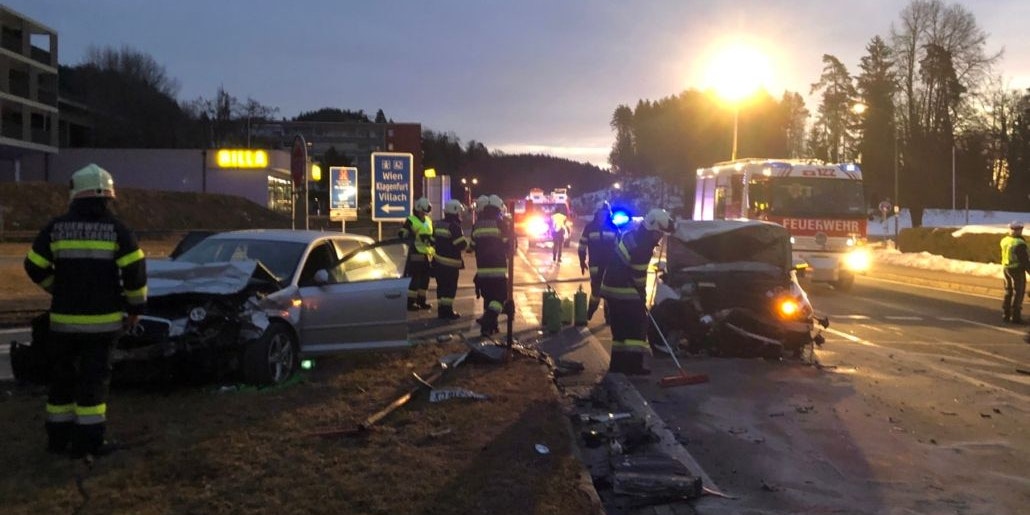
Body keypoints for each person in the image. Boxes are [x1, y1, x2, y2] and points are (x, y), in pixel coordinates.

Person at [23, 164, 147, 458]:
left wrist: (57, 287)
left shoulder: (56, 227)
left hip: (63, 324)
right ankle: (89, 443)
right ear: (108, 197)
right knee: (93, 385)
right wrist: (134, 309)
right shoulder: (118, 230)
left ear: (75, 194)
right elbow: (135, 274)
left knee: (62, 383)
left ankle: (58, 441)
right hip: (102, 326)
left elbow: (33, 265)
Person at [600, 208, 674, 375]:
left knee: (620, 332)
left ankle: (617, 367)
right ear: (653, 230)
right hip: (624, 291)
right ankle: (633, 366)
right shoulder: (643, 245)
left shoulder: (634, 235)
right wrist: (642, 296)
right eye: (659, 233)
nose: (660, 238)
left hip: (612, 289)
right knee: (637, 328)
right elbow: (638, 276)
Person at [470, 194, 513, 337]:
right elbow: (508, 244)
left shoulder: (477, 224)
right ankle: (487, 319)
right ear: (498, 209)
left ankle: (488, 328)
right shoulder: (500, 223)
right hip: (498, 268)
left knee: (488, 298)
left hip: (482, 269)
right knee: (500, 297)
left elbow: (472, 245)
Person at [578, 201, 620, 322]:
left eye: (605, 213)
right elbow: (582, 245)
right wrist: (582, 261)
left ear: (608, 213)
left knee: (609, 291)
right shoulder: (589, 228)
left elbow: (620, 247)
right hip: (595, 265)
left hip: (610, 265)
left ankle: (608, 316)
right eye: (601, 213)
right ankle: (590, 312)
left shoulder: (613, 227)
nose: (603, 215)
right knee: (596, 291)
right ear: (597, 213)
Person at [433, 199, 469, 320]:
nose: (460, 214)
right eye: (459, 212)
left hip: (438, 263)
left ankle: (441, 311)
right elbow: (461, 245)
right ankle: (448, 312)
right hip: (450, 265)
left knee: (441, 288)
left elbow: (434, 241)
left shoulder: (438, 224)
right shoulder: (454, 227)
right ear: (455, 212)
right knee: (449, 289)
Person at [399, 197, 435, 311]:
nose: (424, 214)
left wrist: (431, 239)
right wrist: (413, 235)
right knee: (415, 279)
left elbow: (432, 233)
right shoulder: (411, 220)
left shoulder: (428, 220)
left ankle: (422, 301)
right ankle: (410, 303)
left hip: (427, 254)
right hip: (415, 252)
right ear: (418, 209)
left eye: (426, 212)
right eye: (423, 211)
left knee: (425, 279)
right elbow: (402, 234)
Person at [1001, 220, 1028, 324]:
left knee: (1008, 291)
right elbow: (1024, 260)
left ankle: (1006, 313)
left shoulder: (1005, 240)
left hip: (1006, 268)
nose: (1021, 231)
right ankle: (1015, 316)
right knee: (1018, 292)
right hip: (1017, 269)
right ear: (1017, 230)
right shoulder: (1019, 243)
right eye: (1020, 229)